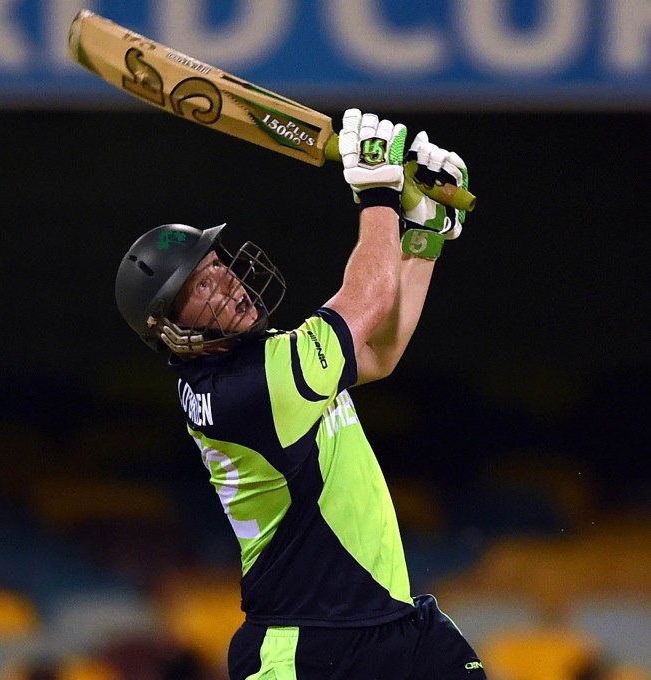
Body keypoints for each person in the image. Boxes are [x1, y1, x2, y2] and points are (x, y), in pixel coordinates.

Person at [114, 109, 485, 679]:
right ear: (169, 327)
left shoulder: (260, 362)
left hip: (395, 628)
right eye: (199, 287)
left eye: (217, 267)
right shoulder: (256, 388)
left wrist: (423, 234)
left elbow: (377, 354)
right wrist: (379, 195)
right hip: (307, 650)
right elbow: (365, 299)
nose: (227, 282)